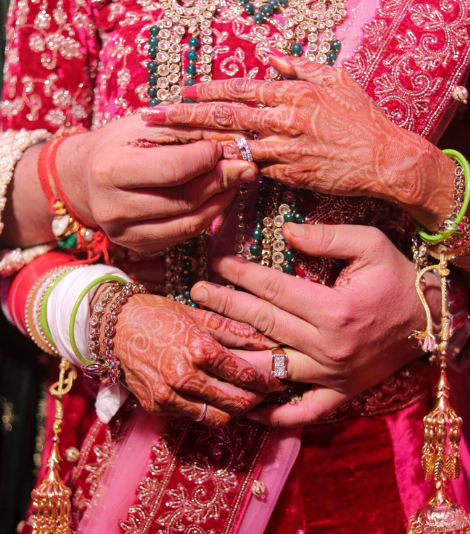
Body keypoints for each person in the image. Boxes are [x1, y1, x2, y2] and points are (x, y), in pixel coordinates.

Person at [1, 0, 470, 532]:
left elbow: (443, 270)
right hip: (132, 449)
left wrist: (419, 197)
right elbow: (12, 229)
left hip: (378, 470)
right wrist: (106, 320)